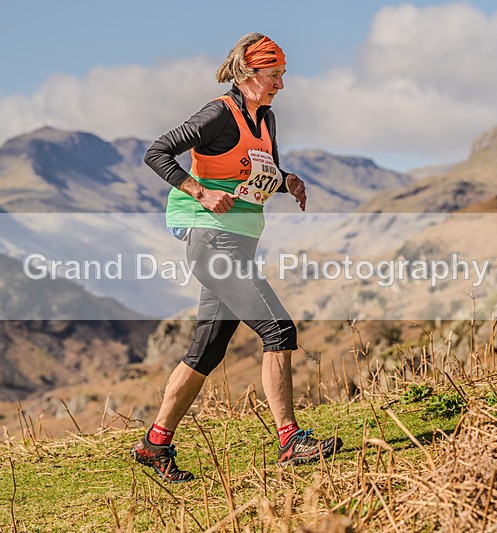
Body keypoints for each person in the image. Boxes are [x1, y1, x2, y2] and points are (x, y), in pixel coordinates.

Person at [131, 32, 342, 483]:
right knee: (278, 327)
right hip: (212, 242)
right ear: (248, 74)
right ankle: (290, 441)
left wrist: (289, 182)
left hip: (239, 242)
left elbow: (262, 171)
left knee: (205, 351)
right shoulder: (218, 114)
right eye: (274, 75)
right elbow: (157, 152)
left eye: (283, 75)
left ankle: (155, 444)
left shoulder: (266, 119)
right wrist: (200, 191)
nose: (281, 84)